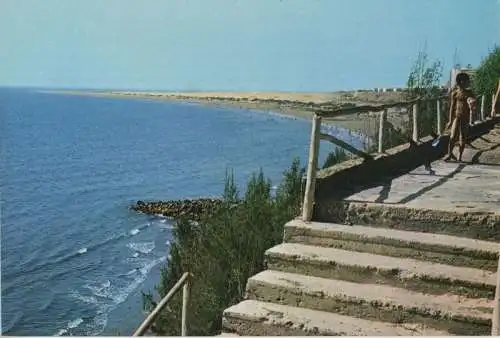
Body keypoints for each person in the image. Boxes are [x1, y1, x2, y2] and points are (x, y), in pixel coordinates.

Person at [444, 72, 476, 162]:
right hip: (456, 118)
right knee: (452, 136)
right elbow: (452, 108)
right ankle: (449, 154)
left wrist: (472, 106)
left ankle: (459, 156)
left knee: (462, 137)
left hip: (465, 118)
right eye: (466, 81)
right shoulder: (455, 93)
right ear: (461, 82)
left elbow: (473, 104)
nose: (468, 83)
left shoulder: (469, 93)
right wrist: (450, 120)